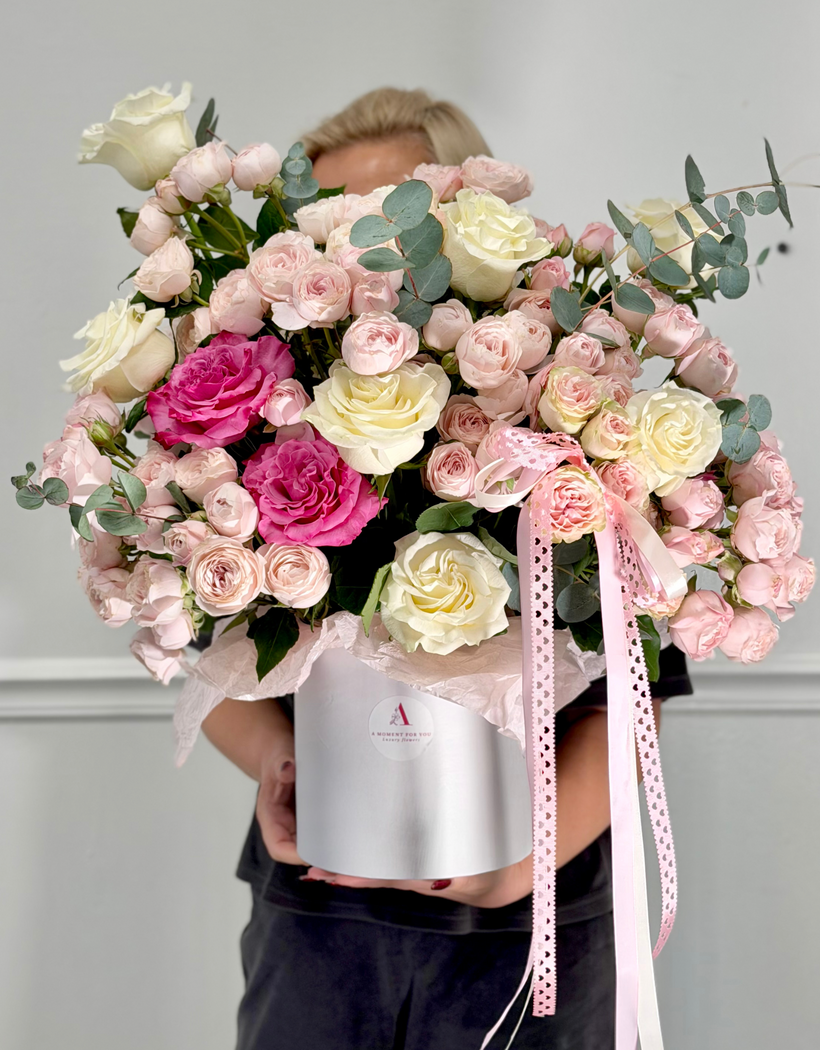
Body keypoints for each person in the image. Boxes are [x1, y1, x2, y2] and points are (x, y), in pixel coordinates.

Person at [201, 87, 694, 1050]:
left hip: (536, 922)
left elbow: (635, 698)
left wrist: (520, 870)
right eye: (331, 224)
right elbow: (215, 667)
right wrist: (277, 769)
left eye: (392, 221)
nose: (360, 252)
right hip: (317, 914)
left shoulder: (568, 428)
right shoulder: (260, 448)